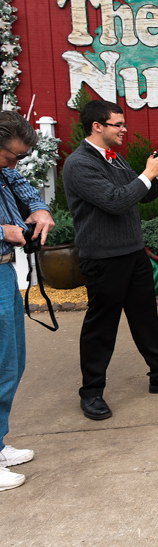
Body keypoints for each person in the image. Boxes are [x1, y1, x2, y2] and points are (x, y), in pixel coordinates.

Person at [62, 100, 158, 421]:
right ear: (97, 126)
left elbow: (139, 195)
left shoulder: (114, 157)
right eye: (118, 124)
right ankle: (91, 393)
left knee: (145, 319)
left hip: (133, 252)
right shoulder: (79, 164)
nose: (124, 129)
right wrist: (146, 174)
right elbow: (114, 201)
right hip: (103, 258)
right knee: (101, 328)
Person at [0, 110, 54, 491]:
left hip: (5, 272)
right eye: (11, 156)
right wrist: (4, 231)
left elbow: (20, 183)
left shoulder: (4, 170)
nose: (15, 165)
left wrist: (39, 208)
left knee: (12, 363)